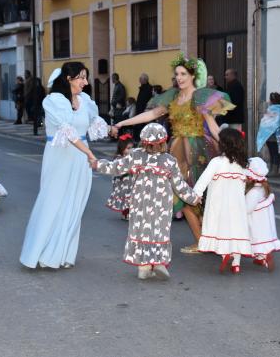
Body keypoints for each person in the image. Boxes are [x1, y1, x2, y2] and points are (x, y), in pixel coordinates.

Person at [111, 53, 234, 254]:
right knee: (182, 197)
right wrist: (122, 122)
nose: (179, 77)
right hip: (176, 150)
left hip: (197, 150)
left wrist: (231, 148)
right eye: (177, 74)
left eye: (183, 74)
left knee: (198, 196)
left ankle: (208, 240)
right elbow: (150, 114)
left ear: (192, 75)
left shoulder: (200, 97)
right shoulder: (173, 97)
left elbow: (213, 127)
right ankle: (203, 241)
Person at [19, 62, 109, 269]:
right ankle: (38, 254)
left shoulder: (85, 100)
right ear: (68, 79)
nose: (86, 82)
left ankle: (61, 254)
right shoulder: (53, 101)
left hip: (80, 159)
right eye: (82, 77)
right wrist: (88, 152)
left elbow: (95, 123)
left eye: (86, 77)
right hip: (60, 156)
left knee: (75, 204)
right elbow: (67, 131)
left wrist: (116, 128)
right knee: (52, 201)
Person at [94, 123, 200, 280]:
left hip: (140, 203)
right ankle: (159, 264)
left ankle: (143, 266)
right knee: (159, 231)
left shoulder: (136, 156)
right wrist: (194, 198)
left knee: (141, 231)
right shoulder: (169, 161)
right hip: (162, 205)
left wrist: (98, 164)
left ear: (143, 141)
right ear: (164, 141)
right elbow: (180, 186)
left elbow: (115, 168)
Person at [193, 128, 251, 274]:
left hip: (218, 203)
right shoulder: (243, 164)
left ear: (223, 144)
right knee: (236, 229)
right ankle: (236, 263)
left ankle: (225, 254)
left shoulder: (216, 162)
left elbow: (203, 180)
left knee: (221, 228)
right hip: (237, 204)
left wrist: (196, 195)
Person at [245, 157, 280, 271]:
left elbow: (247, 210)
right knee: (262, 240)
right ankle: (260, 258)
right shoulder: (264, 188)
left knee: (255, 238)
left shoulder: (252, 192)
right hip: (265, 221)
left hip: (256, 221)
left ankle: (264, 256)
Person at [105, 133, 135, 220]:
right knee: (125, 198)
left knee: (132, 198)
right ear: (122, 148)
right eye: (128, 148)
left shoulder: (132, 157)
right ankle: (125, 213)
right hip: (122, 183)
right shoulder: (119, 158)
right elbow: (118, 170)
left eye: (132, 148)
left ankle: (131, 212)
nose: (130, 150)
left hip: (132, 181)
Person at [256, 92, 280, 175]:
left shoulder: (279, 110)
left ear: (273, 101)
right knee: (272, 152)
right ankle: (272, 168)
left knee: (275, 153)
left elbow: (277, 121)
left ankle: (275, 170)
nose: (269, 101)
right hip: (268, 135)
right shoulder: (272, 109)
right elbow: (266, 120)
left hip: (275, 135)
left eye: (271, 99)